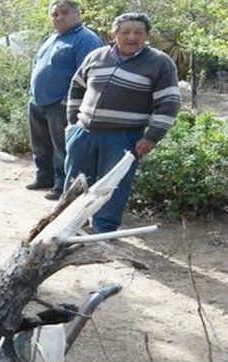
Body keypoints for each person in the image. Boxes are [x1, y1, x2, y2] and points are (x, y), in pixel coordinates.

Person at [64, 12, 181, 232]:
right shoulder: (96, 56)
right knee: (75, 181)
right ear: (114, 34)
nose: (131, 37)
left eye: (138, 32)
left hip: (123, 137)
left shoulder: (159, 63)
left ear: (147, 36)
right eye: (125, 32)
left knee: (113, 186)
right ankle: (69, 224)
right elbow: (77, 86)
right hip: (83, 134)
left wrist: (152, 136)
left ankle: (103, 230)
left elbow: (170, 102)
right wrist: (72, 124)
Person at [27, 1, 102, 200]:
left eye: (65, 12)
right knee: (41, 144)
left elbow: (89, 75)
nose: (59, 17)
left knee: (62, 146)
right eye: (55, 14)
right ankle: (44, 178)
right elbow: (37, 65)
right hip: (38, 101)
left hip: (62, 104)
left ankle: (61, 186)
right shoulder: (51, 38)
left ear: (77, 14)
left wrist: (68, 102)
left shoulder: (86, 39)